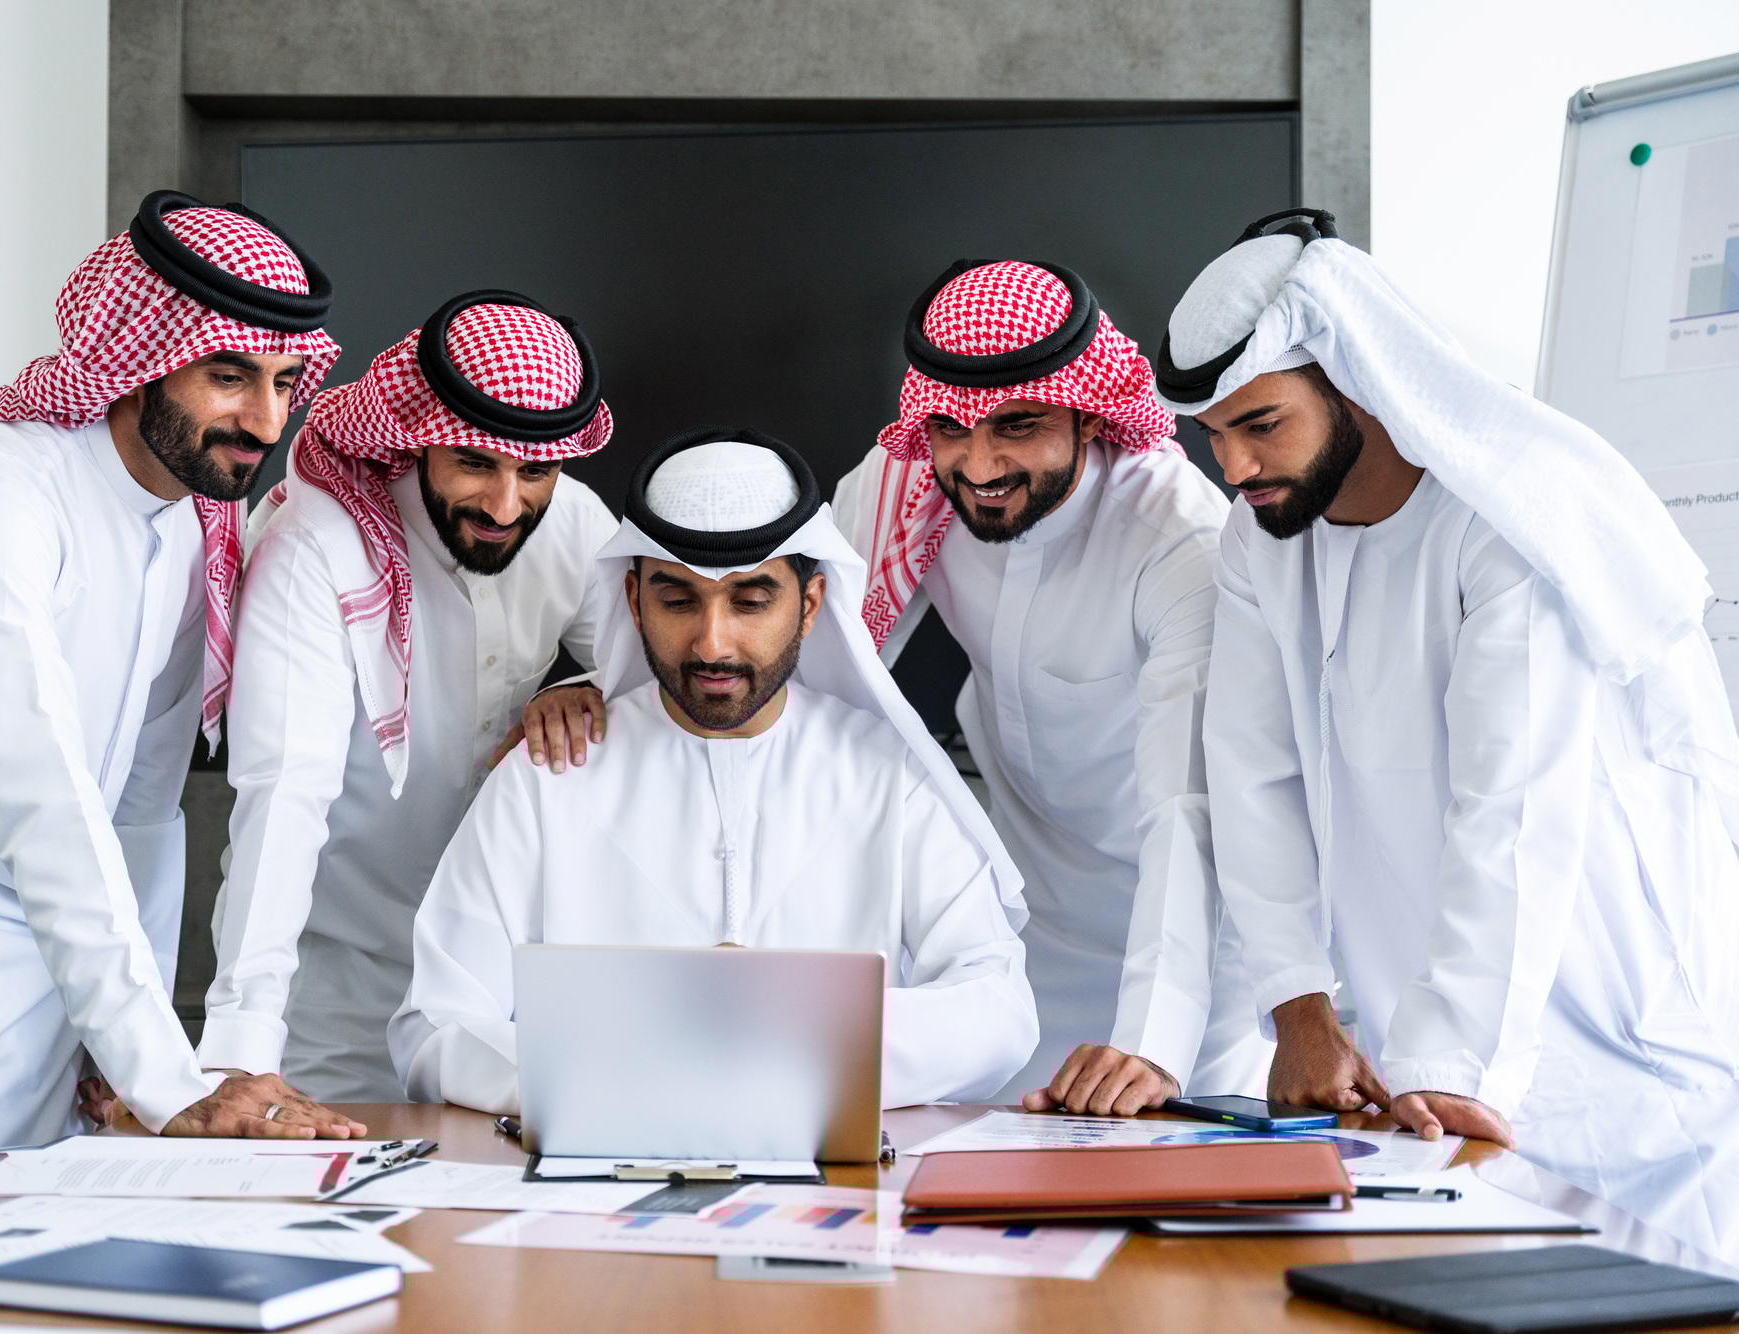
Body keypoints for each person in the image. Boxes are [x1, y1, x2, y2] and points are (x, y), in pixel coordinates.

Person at [0, 192, 363, 1251]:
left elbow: (142, 799)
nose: (267, 424)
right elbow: (40, 791)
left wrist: (129, 1037)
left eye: (283, 383)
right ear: (143, 357)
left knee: (66, 1249)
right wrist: (162, 1069)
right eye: (229, 375)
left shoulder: (190, 523)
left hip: (68, 926)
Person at [1159, 208, 1739, 1243]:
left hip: (1601, 1029)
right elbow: (1249, 772)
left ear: (1356, 384)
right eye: (1213, 436)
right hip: (1415, 1049)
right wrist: (1296, 1001)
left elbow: (1508, 807)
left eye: (1260, 424)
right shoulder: (1266, 539)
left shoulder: (1500, 525)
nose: (1234, 470)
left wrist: (1446, 1062)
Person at [390, 430, 1038, 1112]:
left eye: (751, 601)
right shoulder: (550, 771)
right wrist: (615, 1080)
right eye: (677, 600)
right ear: (634, 599)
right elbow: (436, 1025)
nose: (712, 641)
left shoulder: (887, 775)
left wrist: (795, 1043)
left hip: (833, 1196)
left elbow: (997, 1007)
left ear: (810, 605)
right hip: (591, 1189)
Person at [832, 259, 1272, 1113]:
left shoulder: (1179, 545)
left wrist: (1154, 1041)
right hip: (1025, 927)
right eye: (952, 428)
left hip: (1189, 947)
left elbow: (1191, 804)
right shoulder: (917, 482)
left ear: (1087, 410)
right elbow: (807, 661)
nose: (979, 461)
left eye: (1017, 424)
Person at [196, 291, 619, 1100]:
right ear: (420, 439)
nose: (505, 504)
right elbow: (284, 796)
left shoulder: (567, 523)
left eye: (535, 470)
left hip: (512, 996)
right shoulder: (314, 550)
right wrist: (242, 1051)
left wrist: (588, 687)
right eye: (476, 463)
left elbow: (659, 676)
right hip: (336, 997)